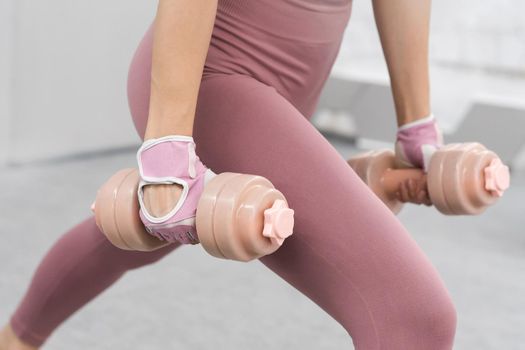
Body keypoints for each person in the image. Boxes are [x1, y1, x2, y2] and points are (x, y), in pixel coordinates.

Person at [0, 0, 456, 349]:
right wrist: (167, 148)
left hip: (292, 90)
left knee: (134, 238)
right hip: (215, 78)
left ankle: (15, 339)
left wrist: (416, 124)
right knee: (414, 316)